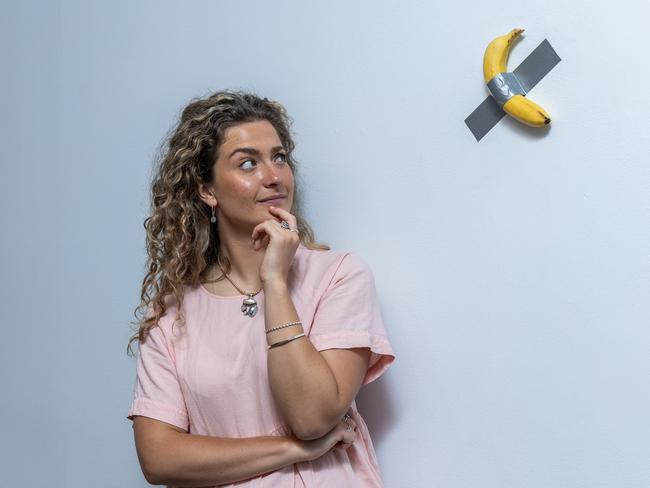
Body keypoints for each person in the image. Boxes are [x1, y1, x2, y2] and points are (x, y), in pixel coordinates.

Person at [126, 90, 396, 487]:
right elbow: (159, 458)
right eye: (248, 163)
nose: (273, 176)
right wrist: (293, 450)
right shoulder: (171, 315)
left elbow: (313, 416)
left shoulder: (339, 277)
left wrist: (274, 281)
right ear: (207, 190)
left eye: (280, 157)